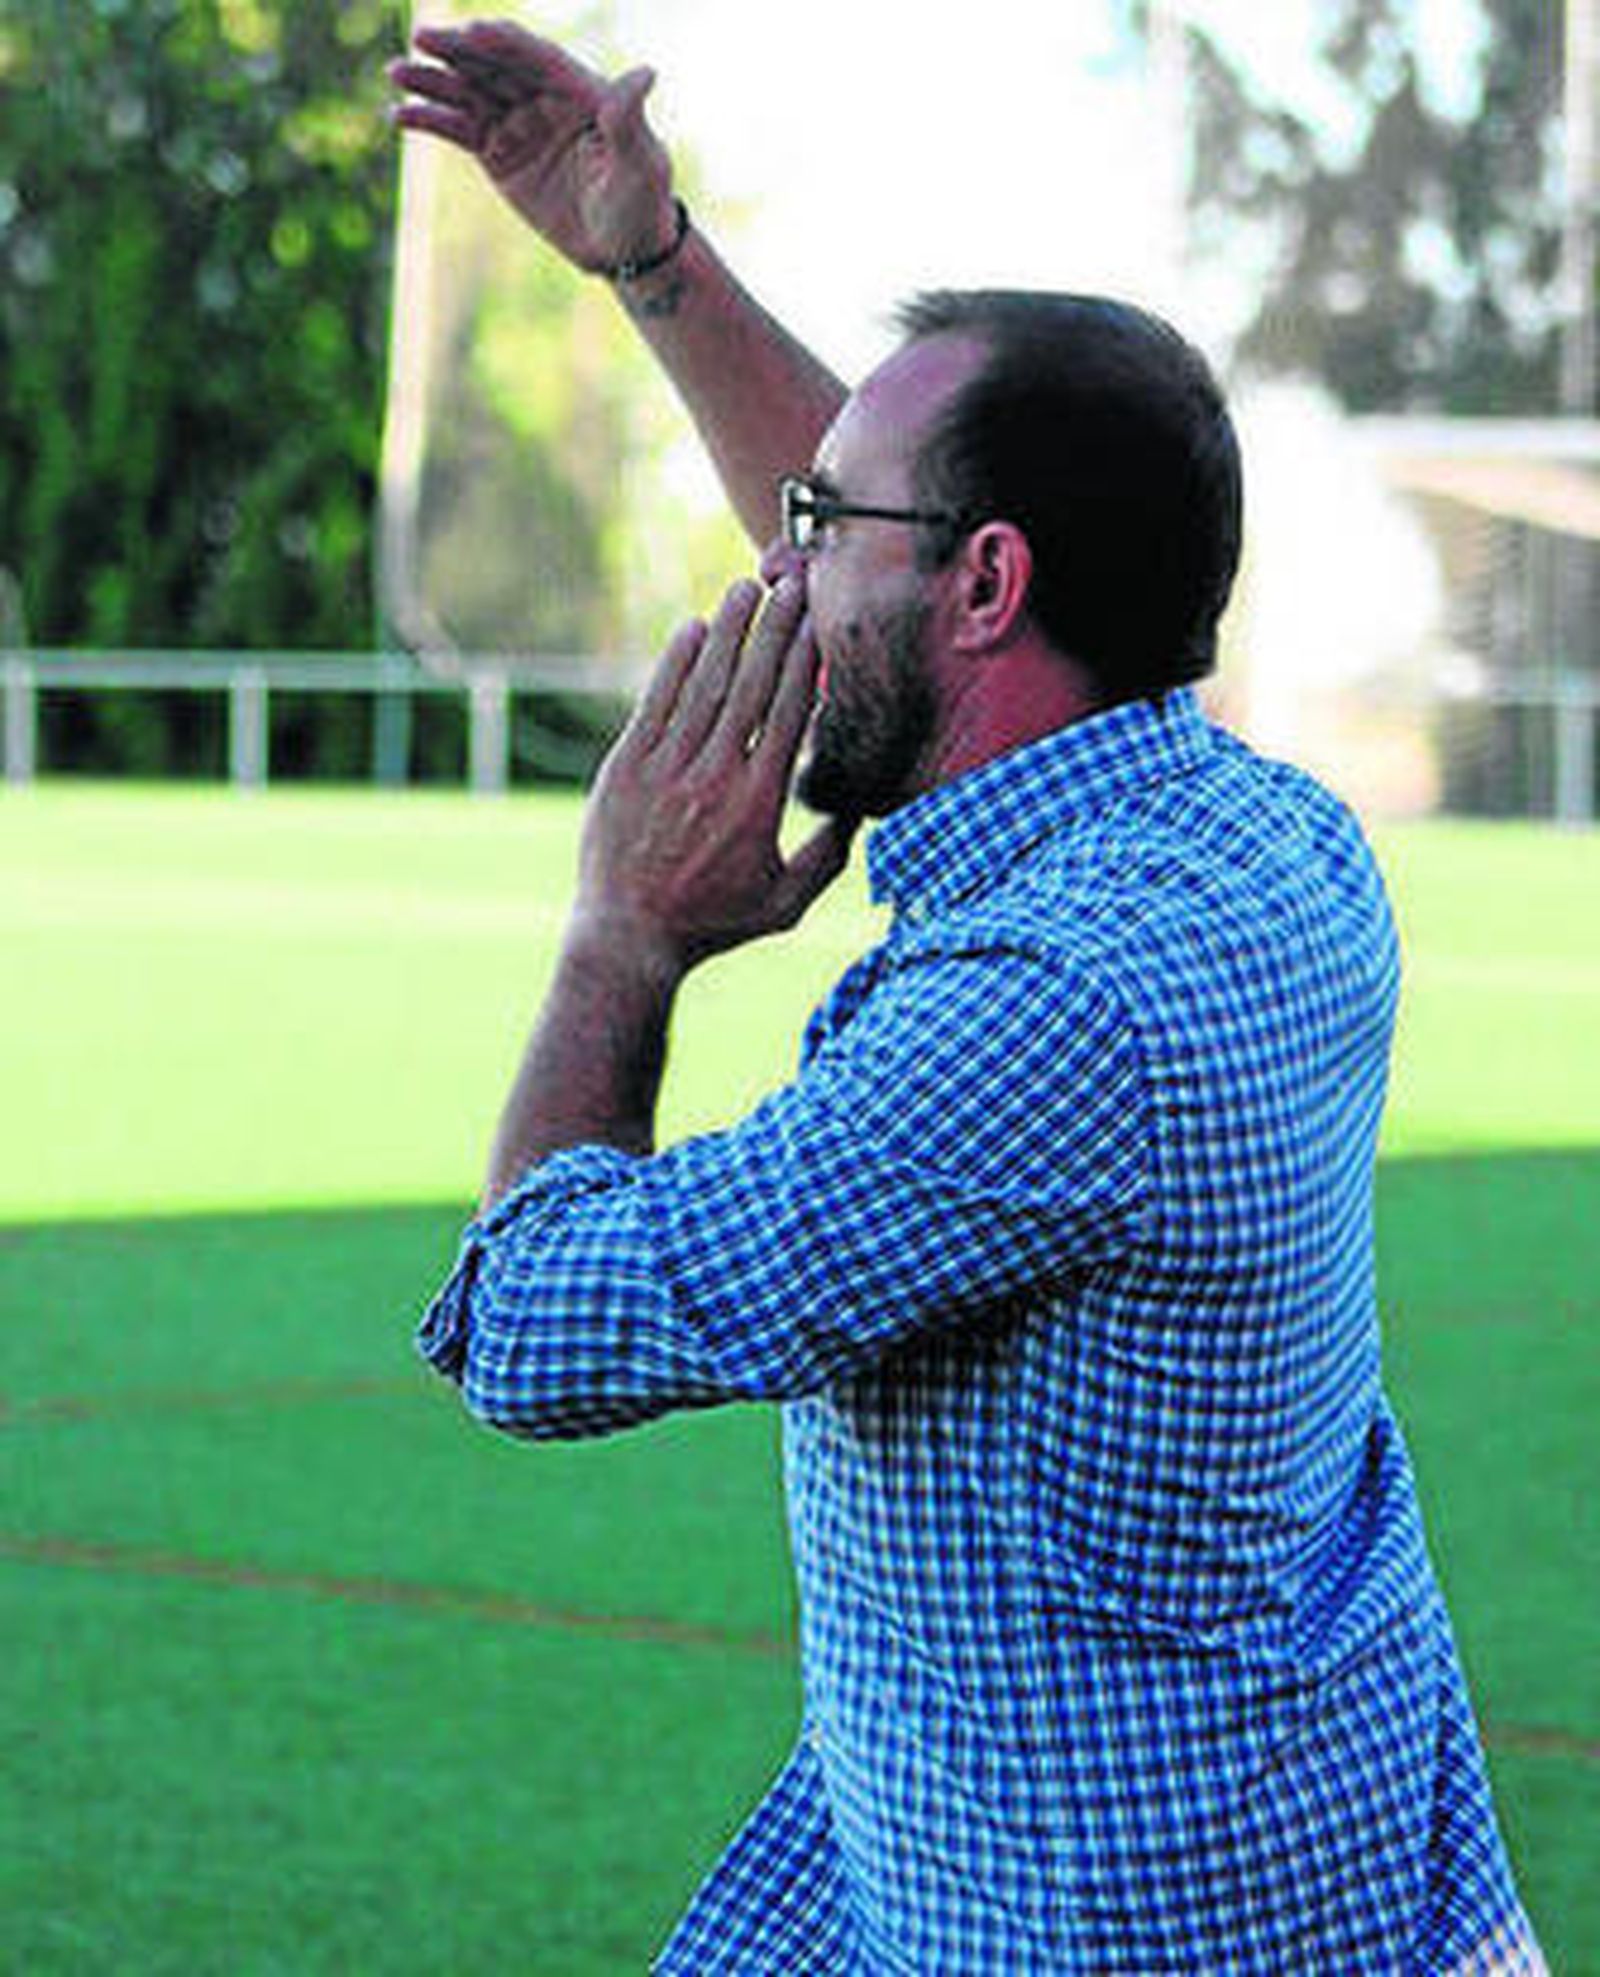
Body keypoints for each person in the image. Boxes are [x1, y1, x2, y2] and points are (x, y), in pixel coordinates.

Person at [388, 23, 1545, 1974]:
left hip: (1111, 1933)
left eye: (820, 532)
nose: (778, 570)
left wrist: (620, 934)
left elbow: (530, 1322)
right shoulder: (1263, 842)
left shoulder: (1042, 1014)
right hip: (1262, 1882)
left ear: (990, 585)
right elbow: (907, 557)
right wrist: (653, 262)